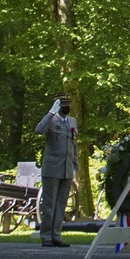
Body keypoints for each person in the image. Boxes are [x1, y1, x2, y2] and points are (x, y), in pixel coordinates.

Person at [35, 92, 79, 248]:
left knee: (61, 204)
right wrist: (50, 113)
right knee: (49, 205)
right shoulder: (51, 121)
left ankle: (56, 235)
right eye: (63, 104)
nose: (67, 107)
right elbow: (38, 130)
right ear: (57, 106)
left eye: (68, 103)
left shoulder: (72, 121)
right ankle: (46, 236)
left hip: (66, 168)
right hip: (52, 167)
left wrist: (75, 165)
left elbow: (74, 144)